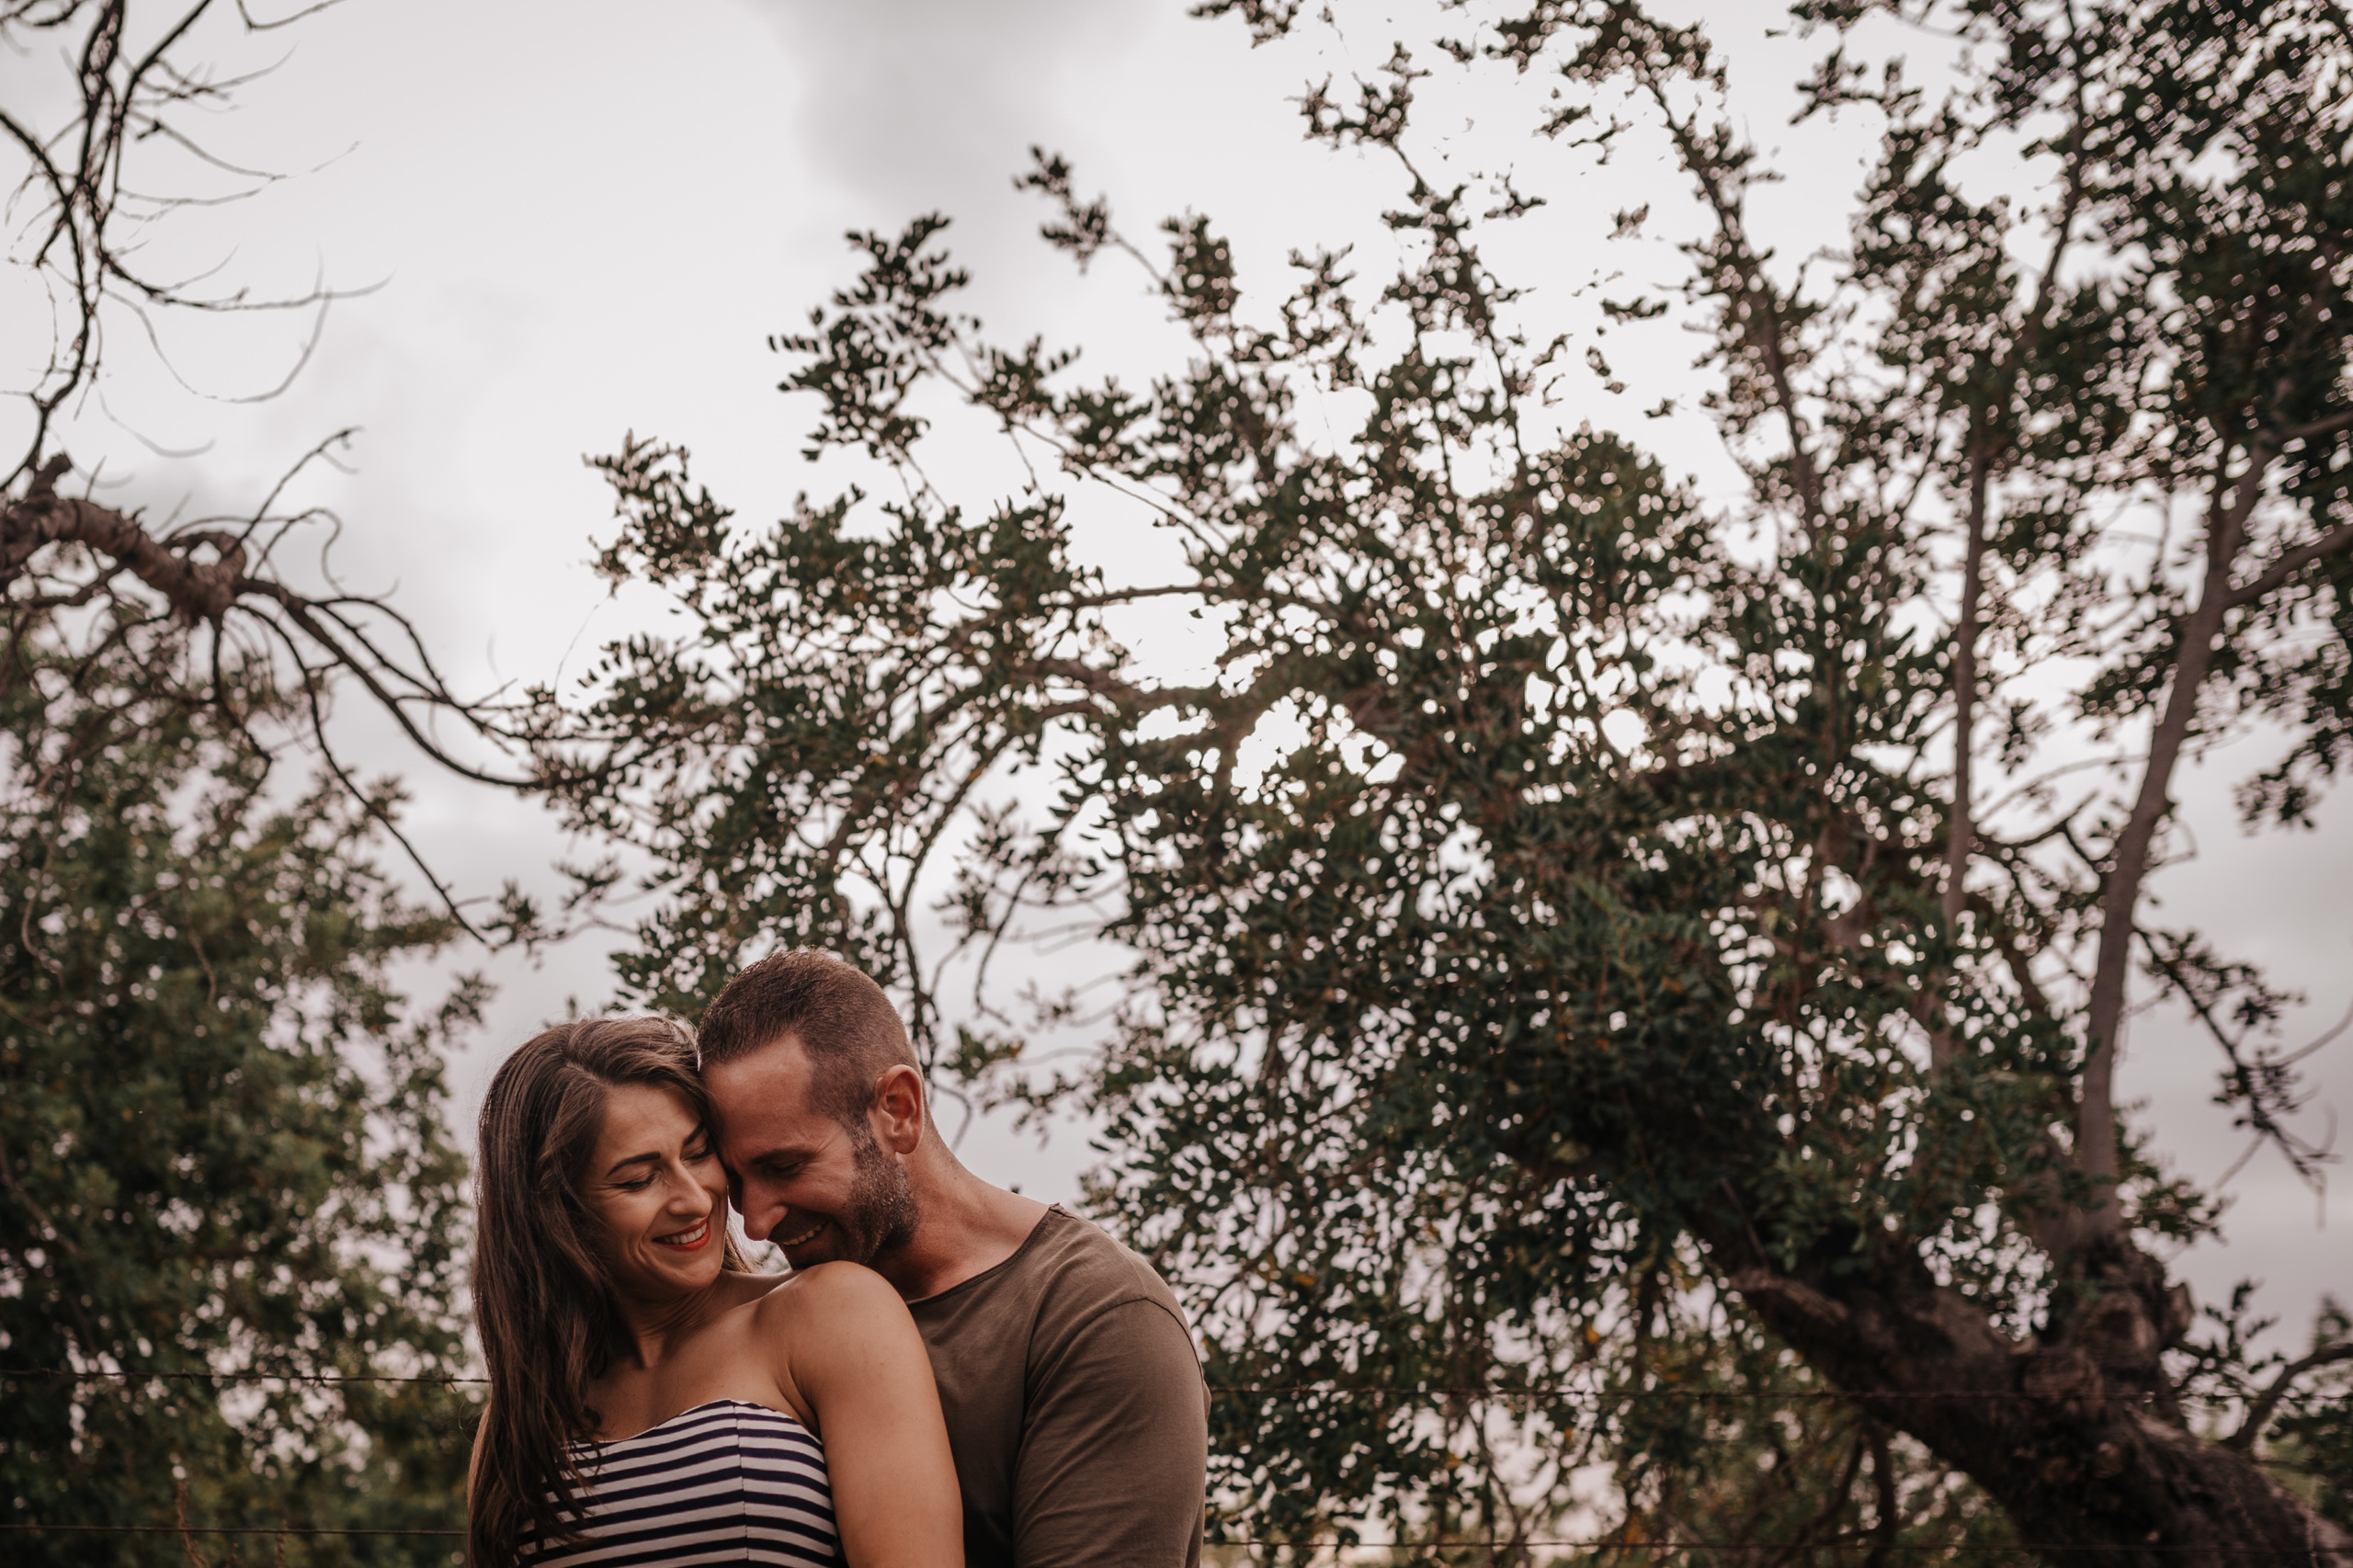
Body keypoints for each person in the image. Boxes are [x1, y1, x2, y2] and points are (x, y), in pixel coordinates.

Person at [697, 950, 1211, 1568]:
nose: (755, 1221)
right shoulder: (769, 1325)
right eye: (736, 1179)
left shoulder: (1098, 1316)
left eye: (785, 1167)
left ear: (898, 1110)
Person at [467, 1017, 965, 1568]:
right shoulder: (518, 1418)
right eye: (638, 1179)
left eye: (699, 1153)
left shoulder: (830, 1311)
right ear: (556, 1214)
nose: (695, 1199)